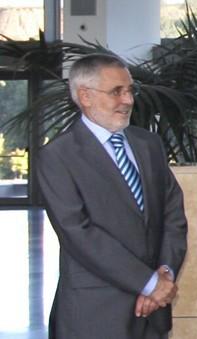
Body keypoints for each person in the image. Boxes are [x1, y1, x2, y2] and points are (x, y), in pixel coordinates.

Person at [36, 53, 188, 339]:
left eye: (130, 90)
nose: (128, 100)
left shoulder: (149, 144)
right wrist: (147, 282)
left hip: (153, 313)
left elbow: (172, 214)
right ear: (85, 96)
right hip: (94, 315)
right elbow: (78, 233)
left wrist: (164, 274)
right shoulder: (58, 156)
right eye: (116, 91)